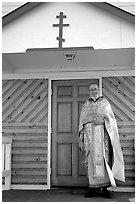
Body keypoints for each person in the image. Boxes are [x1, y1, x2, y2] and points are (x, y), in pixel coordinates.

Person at [79, 83, 125, 198]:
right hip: (90, 139)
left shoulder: (105, 103)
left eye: (95, 89)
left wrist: (103, 121)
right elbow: (81, 123)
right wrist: (81, 137)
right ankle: (92, 189)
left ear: (98, 90)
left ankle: (105, 189)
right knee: (90, 162)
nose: (93, 91)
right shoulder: (86, 104)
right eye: (91, 90)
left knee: (104, 162)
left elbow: (111, 120)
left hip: (102, 140)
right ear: (88, 91)